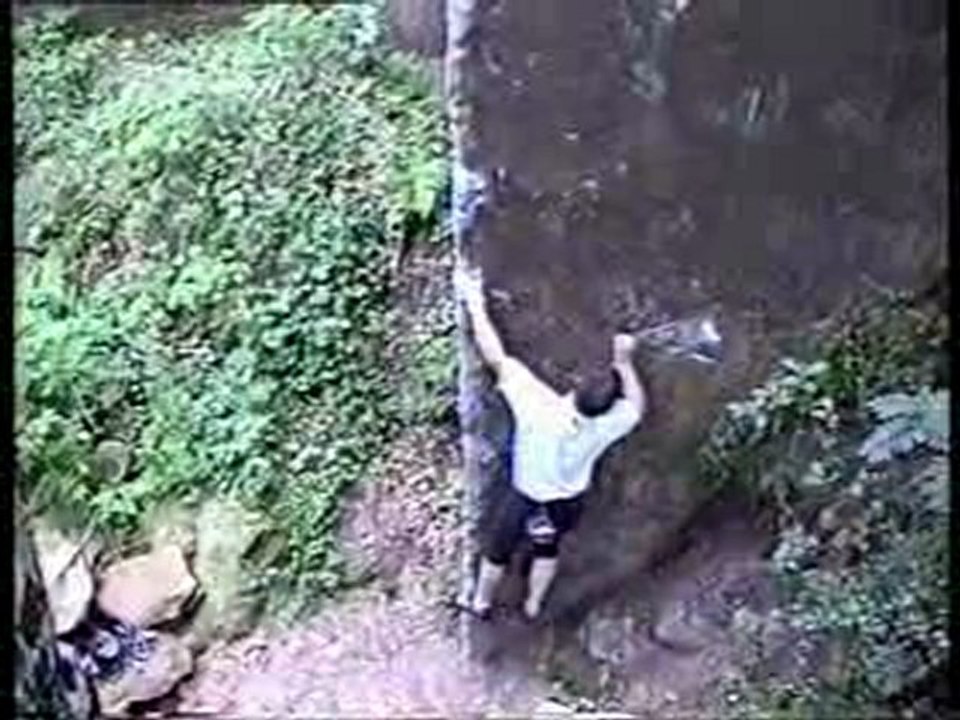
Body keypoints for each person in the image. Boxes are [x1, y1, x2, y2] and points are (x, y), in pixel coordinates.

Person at [455, 265, 647, 621]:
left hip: (524, 496)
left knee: (498, 550)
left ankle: (480, 602)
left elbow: (496, 356)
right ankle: (533, 604)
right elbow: (635, 407)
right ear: (606, 405)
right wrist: (624, 363)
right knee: (547, 548)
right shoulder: (605, 427)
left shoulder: (538, 407)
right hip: (565, 502)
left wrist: (474, 301)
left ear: (574, 390)